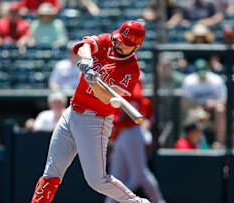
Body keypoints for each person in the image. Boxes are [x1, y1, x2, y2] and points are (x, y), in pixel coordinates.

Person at [31, 20, 151, 203]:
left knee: (97, 181)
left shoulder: (131, 70)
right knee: (51, 173)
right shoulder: (107, 41)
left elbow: (107, 99)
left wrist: (93, 81)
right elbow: (83, 46)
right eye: (119, 40)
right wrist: (87, 61)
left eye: (125, 44)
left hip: (95, 120)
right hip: (71, 112)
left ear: (136, 47)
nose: (118, 44)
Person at [105, 79, 166, 203]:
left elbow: (131, 114)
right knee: (116, 176)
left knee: (140, 174)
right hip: (120, 135)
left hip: (131, 132)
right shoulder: (121, 89)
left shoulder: (134, 89)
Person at [182, 58, 227, 148]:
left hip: (213, 109)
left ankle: (219, 142)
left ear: (208, 69)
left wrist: (212, 103)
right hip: (196, 108)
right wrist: (201, 105)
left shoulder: (216, 80)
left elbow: (224, 99)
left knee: (220, 108)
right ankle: (197, 144)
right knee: (198, 114)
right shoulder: (189, 81)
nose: (202, 75)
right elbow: (186, 102)